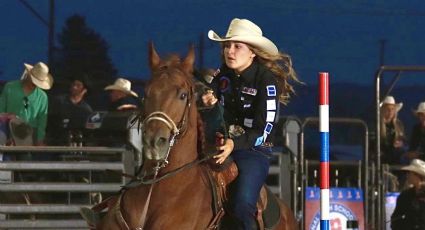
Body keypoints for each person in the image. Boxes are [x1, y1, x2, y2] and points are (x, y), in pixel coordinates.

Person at [206, 18, 300, 229]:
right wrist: (206, 100)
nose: (230, 51)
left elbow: (265, 129)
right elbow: (209, 95)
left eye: (237, 46)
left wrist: (234, 143)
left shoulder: (266, 81)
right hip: (216, 144)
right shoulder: (222, 74)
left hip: (253, 151)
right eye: (227, 46)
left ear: (253, 52)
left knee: (242, 204)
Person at [0, 62, 53, 145]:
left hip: (30, 135)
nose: (34, 84)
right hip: (8, 131)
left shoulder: (42, 97)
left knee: (25, 158)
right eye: (34, 80)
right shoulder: (10, 87)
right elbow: (1, 109)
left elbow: (42, 120)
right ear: (29, 75)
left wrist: (40, 139)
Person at [48, 76, 93, 145]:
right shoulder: (59, 101)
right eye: (73, 84)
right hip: (57, 142)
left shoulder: (86, 109)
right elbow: (50, 121)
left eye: (78, 85)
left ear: (85, 90)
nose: (74, 87)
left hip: (78, 144)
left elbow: (89, 130)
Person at [391, 159, 425, 229]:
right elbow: (396, 219)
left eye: (410, 173)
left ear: (418, 175)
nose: (407, 175)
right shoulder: (405, 196)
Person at [380, 96, 406, 164]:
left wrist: (400, 144)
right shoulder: (376, 125)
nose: (390, 112)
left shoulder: (399, 124)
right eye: (388, 109)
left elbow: (403, 140)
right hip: (381, 159)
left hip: (396, 158)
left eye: (392, 109)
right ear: (382, 110)